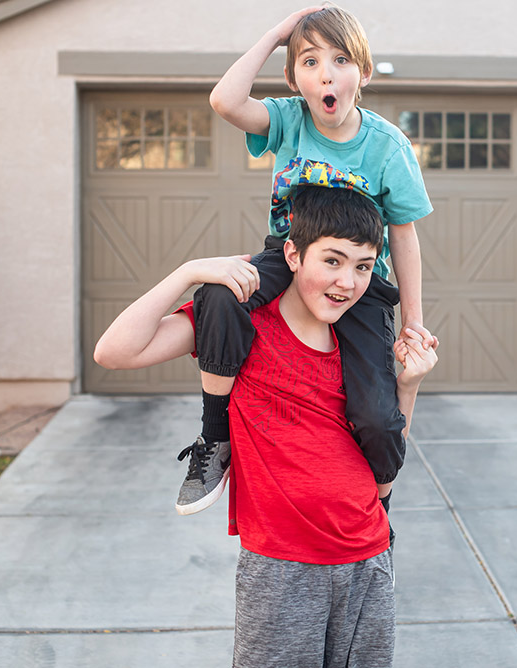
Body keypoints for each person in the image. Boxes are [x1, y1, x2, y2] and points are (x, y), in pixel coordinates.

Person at [93, 186, 438, 667]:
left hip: (369, 556)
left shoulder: (360, 348)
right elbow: (113, 352)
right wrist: (188, 272)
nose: (348, 281)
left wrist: (409, 385)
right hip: (282, 568)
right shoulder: (244, 325)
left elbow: (387, 457)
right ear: (293, 255)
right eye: (333, 260)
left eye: (363, 266)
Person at [172, 4, 436, 519]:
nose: (326, 73)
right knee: (219, 296)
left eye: (340, 59)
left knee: (378, 421)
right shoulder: (288, 119)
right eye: (310, 62)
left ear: (362, 70)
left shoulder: (387, 147)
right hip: (286, 255)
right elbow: (225, 100)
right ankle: (214, 437)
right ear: (294, 78)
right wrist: (277, 35)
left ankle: (380, 511)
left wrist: (414, 321)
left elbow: (404, 237)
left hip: (358, 280)